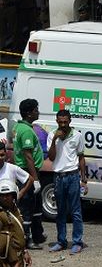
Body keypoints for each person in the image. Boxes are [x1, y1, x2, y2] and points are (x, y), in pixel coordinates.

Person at [46, 109, 86, 254]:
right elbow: (51, 158)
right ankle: (61, 241)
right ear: (56, 121)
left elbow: (81, 157)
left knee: (75, 211)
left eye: (65, 121)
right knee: (60, 211)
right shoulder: (52, 135)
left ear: (70, 121)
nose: (63, 124)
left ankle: (77, 242)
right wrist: (55, 140)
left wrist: (84, 179)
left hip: (73, 176)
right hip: (58, 177)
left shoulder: (77, 135)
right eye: (60, 121)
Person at [13, 98, 45, 249]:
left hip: (29, 171)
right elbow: (28, 156)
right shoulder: (25, 131)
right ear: (29, 113)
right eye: (35, 110)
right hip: (28, 173)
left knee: (36, 207)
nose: (38, 112)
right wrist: (35, 179)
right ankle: (26, 239)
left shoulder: (22, 127)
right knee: (27, 208)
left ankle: (38, 235)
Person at [0, 179, 29, 267]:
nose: (5, 198)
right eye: (2, 195)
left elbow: (19, 232)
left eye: (8, 195)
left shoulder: (15, 210)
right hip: (6, 260)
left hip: (18, 257)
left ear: (13, 196)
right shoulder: (1, 214)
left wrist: (25, 252)